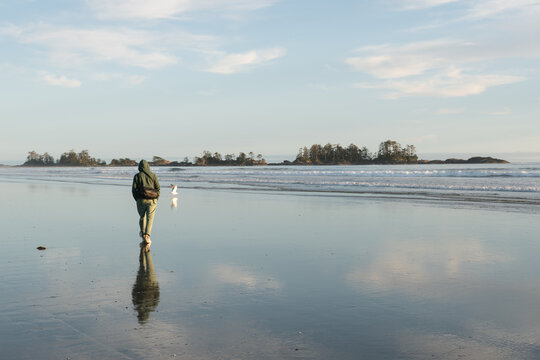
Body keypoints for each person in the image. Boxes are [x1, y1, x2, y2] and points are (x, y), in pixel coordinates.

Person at [132, 160, 160, 251]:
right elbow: (158, 188)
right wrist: (156, 199)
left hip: (141, 200)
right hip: (152, 200)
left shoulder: (137, 176)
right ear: (148, 166)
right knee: (150, 218)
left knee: (142, 217)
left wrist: (137, 199)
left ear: (139, 167)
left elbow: (134, 190)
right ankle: (147, 235)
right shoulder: (153, 175)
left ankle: (143, 233)